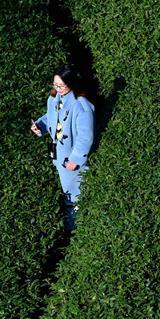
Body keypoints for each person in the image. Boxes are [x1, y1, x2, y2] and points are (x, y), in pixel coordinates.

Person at [31, 64, 95, 230]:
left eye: (61, 85)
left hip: (71, 160)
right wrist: (40, 126)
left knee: (75, 193)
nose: (57, 88)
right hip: (59, 156)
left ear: (71, 83)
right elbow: (50, 117)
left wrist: (75, 159)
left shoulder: (81, 105)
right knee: (68, 190)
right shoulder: (54, 99)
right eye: (55, 84)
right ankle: (74, 226)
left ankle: (78, 228)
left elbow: (85, 136)